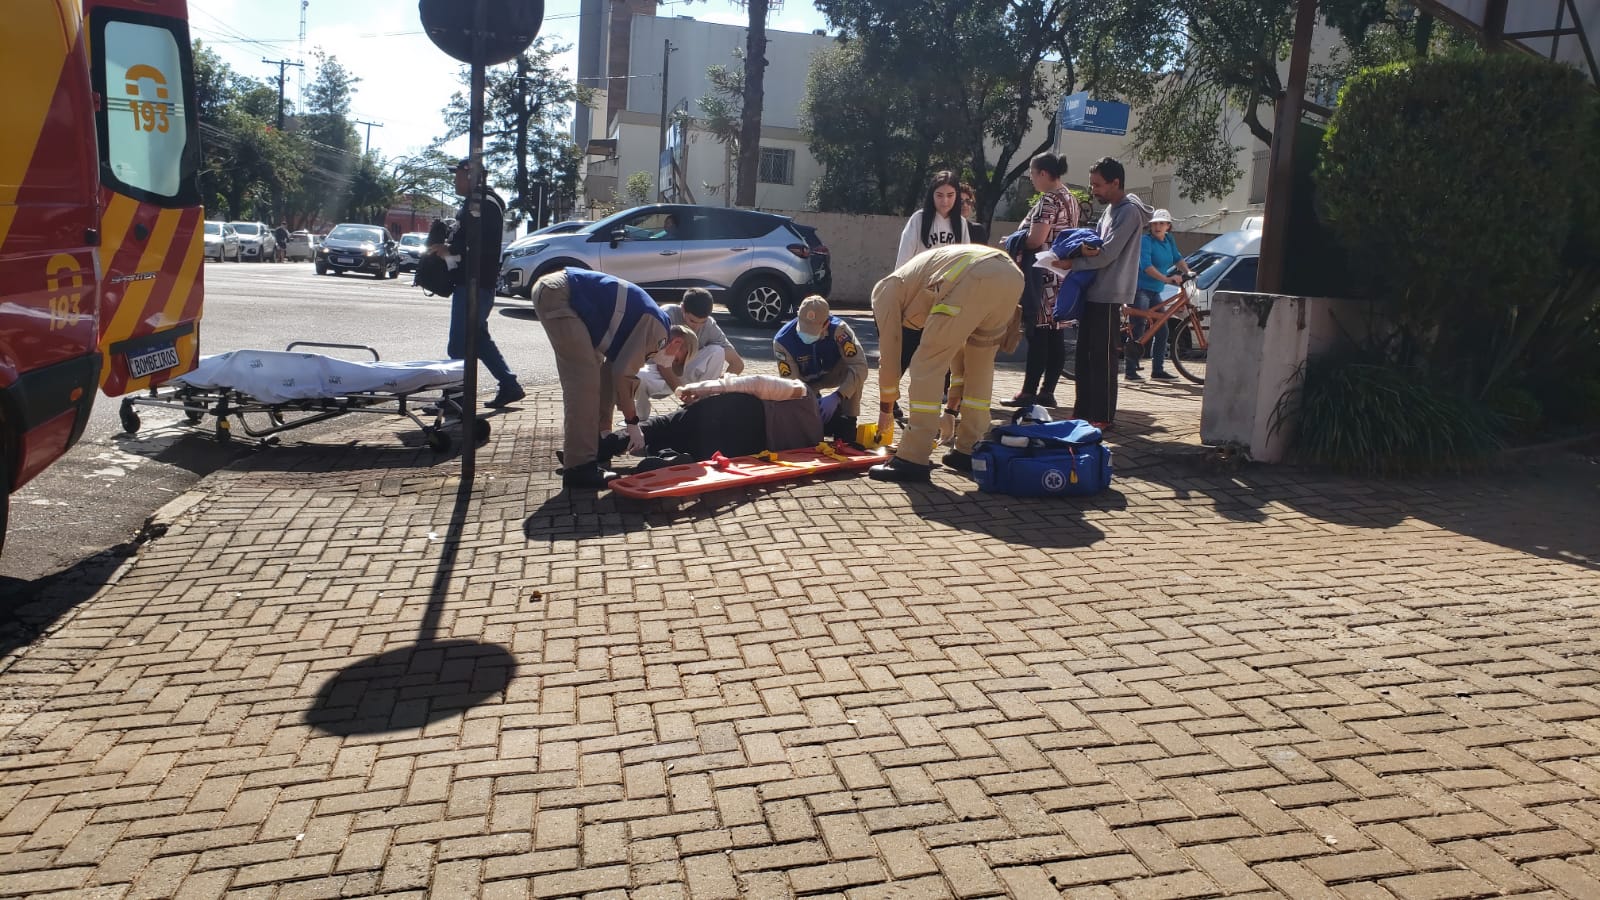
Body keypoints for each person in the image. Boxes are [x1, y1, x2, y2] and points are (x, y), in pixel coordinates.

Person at [870, 244, 1024, 483]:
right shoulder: (924, 277)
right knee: (980, 366)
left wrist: (885, 410)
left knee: (926, 363)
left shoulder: (886, 289)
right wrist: (951, 410)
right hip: (1011, 276)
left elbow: (890, 352)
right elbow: (959, 353)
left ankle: (912, 457)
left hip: (973, 276)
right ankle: (969, 449)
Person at [533, 268, 695, 487]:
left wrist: (606, 432)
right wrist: (632, 424)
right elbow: (624, 374)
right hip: (562, 294)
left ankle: (591, 447)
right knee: (584, 385)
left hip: (560, 290)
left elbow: (612, 375)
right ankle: (579, 468)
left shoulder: (652, 325)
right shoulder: (658, 332)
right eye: (678, 359)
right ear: (677, 343)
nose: (672, 363)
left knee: (598, 378)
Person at [1056, 157, 1153, 427]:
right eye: (1092, 185)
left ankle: (1102, 415)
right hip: (1093, 290)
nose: (1093, 190)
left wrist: (1072, 263)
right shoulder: (1111, 209)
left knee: (1103, 358)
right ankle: (1084, 409)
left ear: (1115, 183)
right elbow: (1098, 248)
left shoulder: (1129, 212)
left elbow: (1107, 255)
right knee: (1085, 356)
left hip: (1109, 294)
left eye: (1098, 185)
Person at [891, 171, 972, 419]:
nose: (945, 201)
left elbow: (967, 261)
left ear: (957, 196)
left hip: (946, 299)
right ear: (931, 195)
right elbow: (904, 259)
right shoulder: (919, 220)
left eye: (950, 195)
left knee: (941, 353)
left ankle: (937, 402)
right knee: (905, 350)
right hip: (918, 296)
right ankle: (890, 398)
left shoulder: (961, 224)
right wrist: (902, 293)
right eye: (939, 195)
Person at [445, 158, 525, 409]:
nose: (455, 180)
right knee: (477, 338)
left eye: (458, 176)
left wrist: (449, 249)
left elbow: (480, 246)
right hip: (473, 283)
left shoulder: (484, 205)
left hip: (475, 285)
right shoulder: (476, 203)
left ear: (471, 177)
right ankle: (509, 385)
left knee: (459, 344)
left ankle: (456, 400)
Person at [599, 374, 823, 462]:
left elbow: (754, 384)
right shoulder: (813, 441)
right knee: (689, 444)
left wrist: (702, 389)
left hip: (744, 411)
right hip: (753, 444)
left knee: (667, 424)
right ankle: (665, 455)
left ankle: (603, 447)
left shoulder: (804, 393)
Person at [1011, 152, 1080, 409]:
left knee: (1039, 335)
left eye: (1032, 173)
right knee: (1056, 336)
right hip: (1063, 277)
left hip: (1043, 276)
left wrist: (1012, 241)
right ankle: (1047, 391)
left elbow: (1036, 239)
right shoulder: (1070, 198)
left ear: (1043, 173)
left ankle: (1029, 392)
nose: (1031, 178)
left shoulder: (1049, 200)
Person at [633, 287, 745, 418]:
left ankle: (701, 409)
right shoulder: (666, 315)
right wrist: (682, 392)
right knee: (638, 375)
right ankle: (639, 420)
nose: (696, 327)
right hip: (657, 374)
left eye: (702, 322)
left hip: (686, 376)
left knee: (717, 351)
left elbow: (737, 364)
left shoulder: (709, 325)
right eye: (692, 321)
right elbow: (663, 365)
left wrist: (719, 387)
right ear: (682, 308)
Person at [772, 296, 869, 441]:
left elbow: (860, 367)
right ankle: (816, 424)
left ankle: (848, 422)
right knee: (801, 406)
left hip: (834, 373)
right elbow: (791, 381)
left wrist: (838, 396)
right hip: (806, 380)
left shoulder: (839, 330)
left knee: (855, 374)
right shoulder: (782, 341)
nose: (807, 334)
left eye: (813, 330)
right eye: (804, 328)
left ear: (826, 324)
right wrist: (810, 404)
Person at [1129, 209, 1190, 381]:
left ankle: (1157, 370)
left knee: (1162, 330)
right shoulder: (1146, 241)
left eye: (1162, 223)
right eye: (1155, 223)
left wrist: (1188, 271)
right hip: (1141, 289)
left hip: (1155, 291)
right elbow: (1146, 266)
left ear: (1168, 226)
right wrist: (1167, 279)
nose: (1158, 226)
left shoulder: (1169, 240)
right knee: (1138, 327)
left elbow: (1177, 257)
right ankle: (1130, 370)